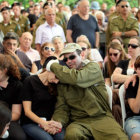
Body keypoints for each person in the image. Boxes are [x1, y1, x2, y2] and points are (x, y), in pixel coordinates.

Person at [43, 43, 128, 140]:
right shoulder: (64, 79)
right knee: (72, 135)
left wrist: (52, 65)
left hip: (101, 117)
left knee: (120, 138)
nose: (69, 61)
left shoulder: (93, 67)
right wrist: (58, 122)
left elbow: (77, 78)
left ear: (82, 55)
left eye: (72, 57)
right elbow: (62, 107)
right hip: (79, 121)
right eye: (65, 59)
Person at [21, 68, 65, 140]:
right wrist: (43, 123)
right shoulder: (29, 81)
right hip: (31, 122)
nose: (57, 81)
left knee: (62, 137)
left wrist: (52, 123)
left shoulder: (55, 84)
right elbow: (27, 111)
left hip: (51, 121)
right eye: (56, 77)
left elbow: (58, 107)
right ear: (49, 70)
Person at [0, 54, 26, 140]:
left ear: (5, 70)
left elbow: (16, 113)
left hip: (8, 118)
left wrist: (3, 119)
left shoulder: (16, 86)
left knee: (20, 137)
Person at [125, 55, 140, 140]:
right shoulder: (132, 84)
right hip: (134, 118)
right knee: (137, 136)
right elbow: (136, 109)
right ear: (136, 70)